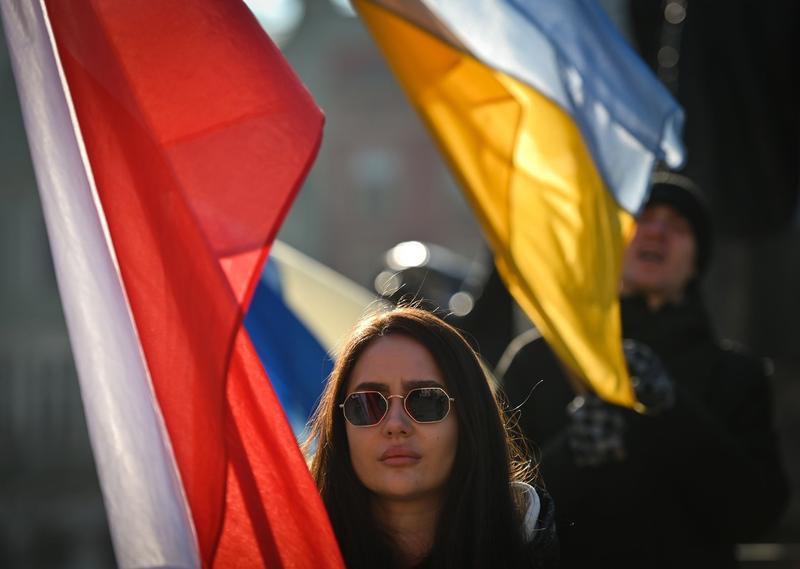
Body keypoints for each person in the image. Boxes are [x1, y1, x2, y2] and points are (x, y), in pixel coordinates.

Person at [497, 172, 790, 568]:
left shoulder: (736, 374)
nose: (656, 233)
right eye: (641, 218)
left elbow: (757, 515)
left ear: (695, 265)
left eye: (678, 226)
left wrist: (672, 412)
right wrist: (571, 452)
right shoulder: (537, 361)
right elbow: (496, 509)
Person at [304, 306, 558, 569]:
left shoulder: (528, 542)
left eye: (425, 400)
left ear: (469, 418)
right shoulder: (288, 549)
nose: (395, 425)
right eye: (368, 404)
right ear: (340, 426)